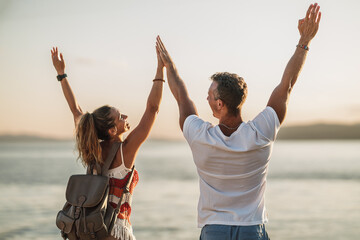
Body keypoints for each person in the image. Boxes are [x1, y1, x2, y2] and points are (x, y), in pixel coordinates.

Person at [156, 3, 321, 240]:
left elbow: (182, 97)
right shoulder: (261, 132)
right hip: (251, 230)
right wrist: (305, 41)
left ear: (220, 104)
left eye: (210, 95)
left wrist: (168, 66)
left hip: (214, 230)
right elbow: (287, 85)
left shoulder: (200, 136)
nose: (206, 98)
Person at [51, 45, 165, 240]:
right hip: (116, 231)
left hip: (93, 230)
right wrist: (160, 68)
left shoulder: (92, 151)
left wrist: (61, 74)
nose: (126, 116)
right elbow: (153, 108)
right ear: (112, 130)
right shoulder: (125, 151)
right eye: (121, 117)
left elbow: (75, 110)